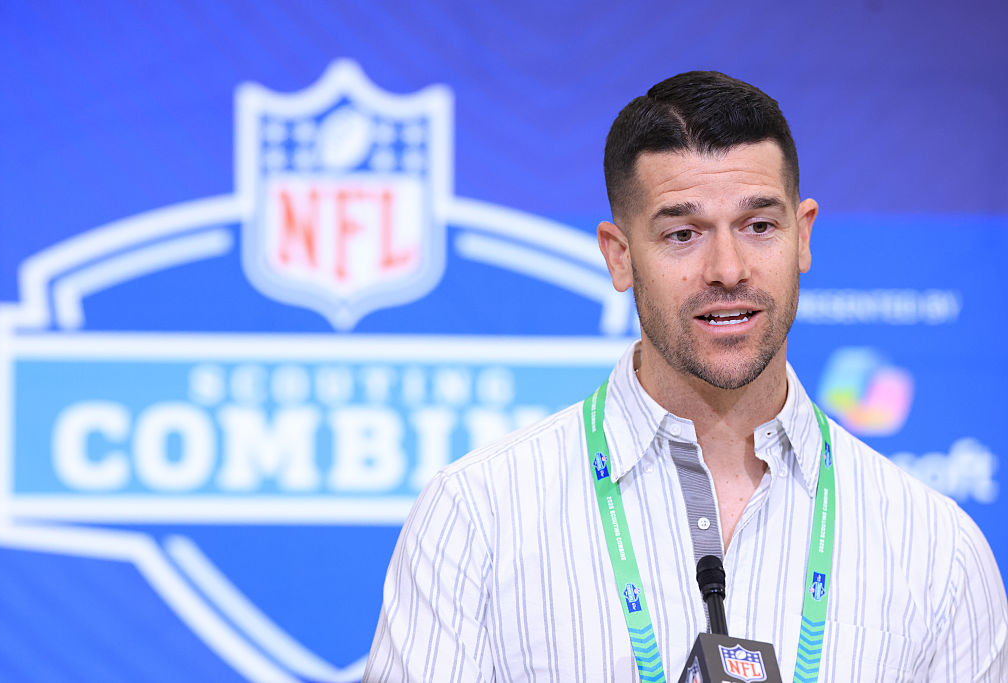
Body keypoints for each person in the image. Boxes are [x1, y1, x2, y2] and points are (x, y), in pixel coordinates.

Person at [363, 71, 1007, 682]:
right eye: (683, 234)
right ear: (620, 256)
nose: (728, 269)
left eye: (759, 226)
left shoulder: (936, 547)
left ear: (803, 236)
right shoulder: (478, 515)